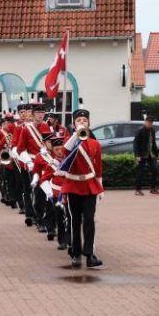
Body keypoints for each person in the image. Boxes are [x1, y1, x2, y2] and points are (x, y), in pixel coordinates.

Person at [61, 109, 103, 270]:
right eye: (79, 121)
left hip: (89, 187)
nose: (82, 123)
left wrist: (101, 187)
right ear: (73, 124)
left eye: (84, 121)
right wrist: (75, 134)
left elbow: (98, 168)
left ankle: (90, 254)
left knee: (89, 221)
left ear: (89, 123)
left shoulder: (94, 143)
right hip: (73, 186)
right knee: (75, 221)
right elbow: (64, 152)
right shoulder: (70, 141)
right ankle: (76, 254)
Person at [133, 116, 159, 196]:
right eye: (149, 122)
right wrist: (137, 155)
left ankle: (153, 188)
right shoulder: (140, 130)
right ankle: (138, 190)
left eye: (151, 122)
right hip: (142, 154)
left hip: (151, 154)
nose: (150, 124)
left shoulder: (152, 130)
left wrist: (156, 154)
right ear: (145, 122)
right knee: (141, 172)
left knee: (155, 170)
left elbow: (153, 142)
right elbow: (135, 143)